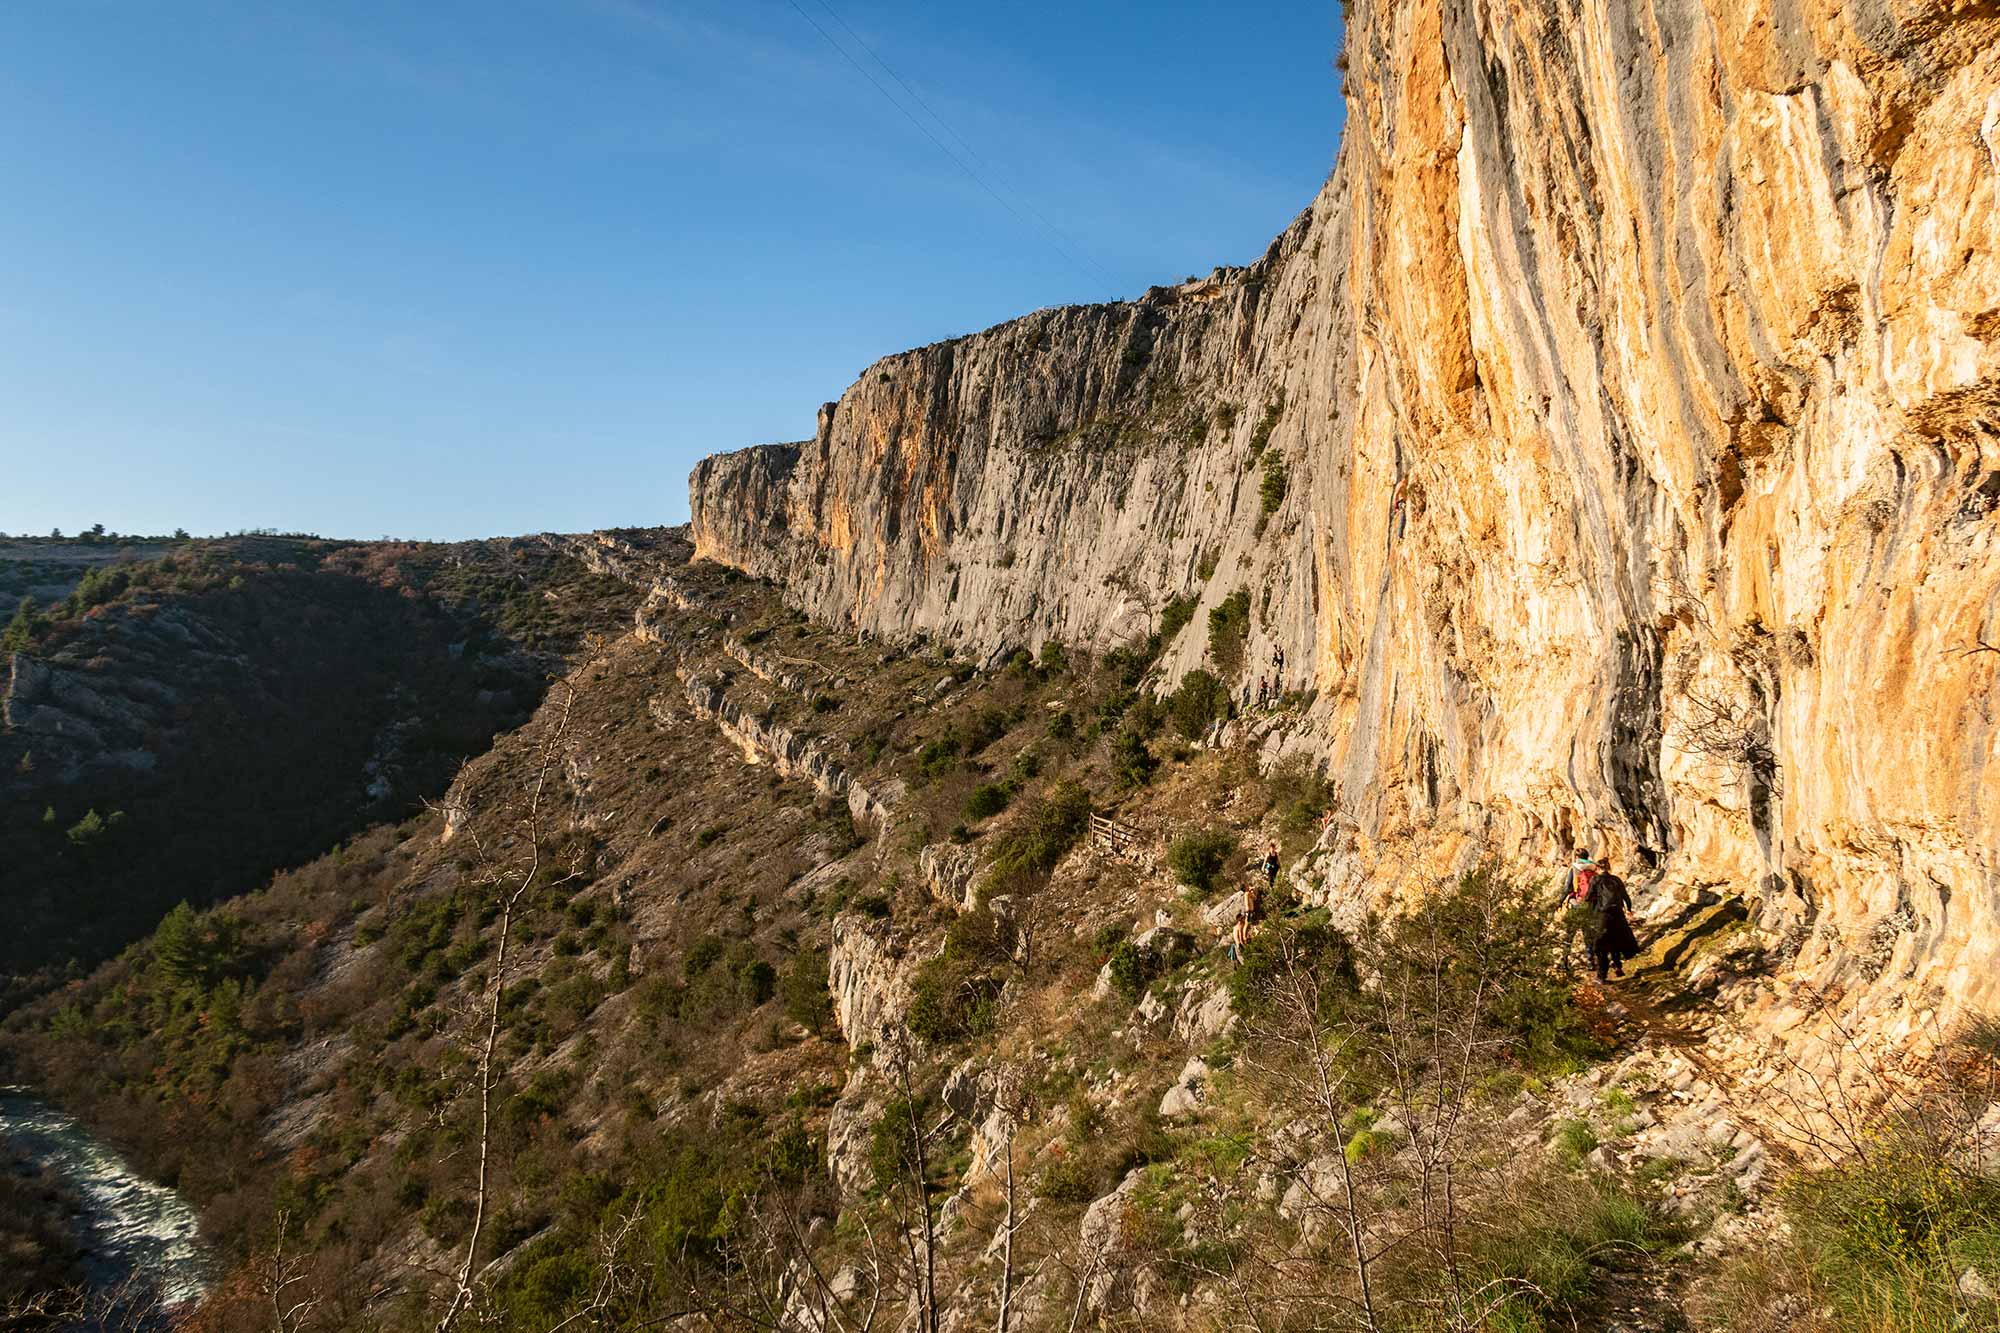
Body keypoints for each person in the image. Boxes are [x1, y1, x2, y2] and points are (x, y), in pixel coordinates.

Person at [1585, 857, 1639, 981]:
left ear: (1597, 868)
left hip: (1603, 915)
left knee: (1601, 945)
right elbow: (1626, 897)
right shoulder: (1616, 879)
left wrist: (1583, 909)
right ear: (1609, 867)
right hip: (1618, 914)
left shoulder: (1595, 879)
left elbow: (1588, 897)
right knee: (1616, 940)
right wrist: (1629, 909)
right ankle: (1618, 966)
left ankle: (1601, 976)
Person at [1555, 850, 1597, 972]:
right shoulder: (1593, 869)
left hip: (1576, 904)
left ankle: (1564, 961)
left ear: (1577, 857)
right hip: (1590, 905)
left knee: (1569, 934)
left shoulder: (1574, 869)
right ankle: (1591, 962)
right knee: (1588, 934)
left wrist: (1559, 902)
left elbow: (1568, 887)